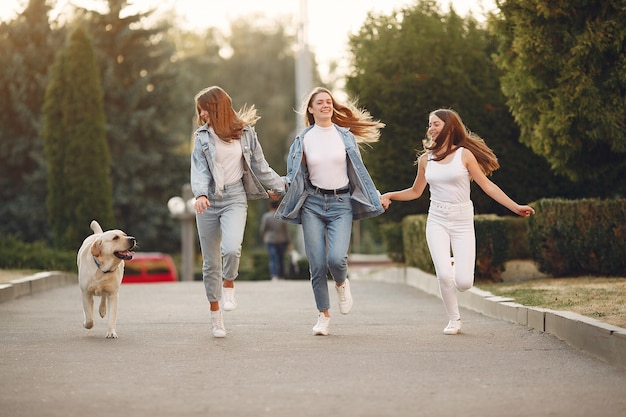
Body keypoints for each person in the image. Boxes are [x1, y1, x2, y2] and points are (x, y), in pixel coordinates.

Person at [380, 109, 535, 335]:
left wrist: (515, 206)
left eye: (436, 124)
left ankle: (452, 265)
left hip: (462, 220)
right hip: (437, 220)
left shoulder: (464, 155)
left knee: (464, 283)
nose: (431, 128)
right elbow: (415, 191)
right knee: (443, 276)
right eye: (429, 124)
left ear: (450, 128)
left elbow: (487, 186)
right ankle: (454, 319)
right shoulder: (426, 160)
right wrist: (390, 195)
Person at [275, 87, 385, 336]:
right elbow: (295, 175)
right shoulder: (303, 139)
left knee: (336, 259)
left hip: (342, 203)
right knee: (316, 263)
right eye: (320, 102)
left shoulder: (344, 135)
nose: (325, 105)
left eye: (328, 101)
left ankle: (341, 282)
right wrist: (279, 187)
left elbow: (359, 171)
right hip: (313, 203)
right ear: (311, 109)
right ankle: (323, 315)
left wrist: (375, 195)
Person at [190, 86, 285, 338]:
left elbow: (260, 165)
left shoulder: (245, 133)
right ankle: (216, 317)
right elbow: (198, 169)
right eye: (199, 110)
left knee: (231, 248)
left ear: (217, 107)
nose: (201, 114)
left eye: (204, 108)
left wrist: (280, 185)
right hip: (207, 201)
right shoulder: (202, 137)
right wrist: (199, 194)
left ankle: (229, 282)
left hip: (235, 197)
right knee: (210, 263)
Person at [260, 200, 290, 281]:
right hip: (281, 239)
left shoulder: (266, 216)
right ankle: (281, 275)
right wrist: (289, 241)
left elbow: (263, 228)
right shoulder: (281, 216)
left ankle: (274, 275)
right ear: (278, 206)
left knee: (273, 258)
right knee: (281, 258)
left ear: (270, 206)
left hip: (270, 239)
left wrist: (264, 236)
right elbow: (285, 230)